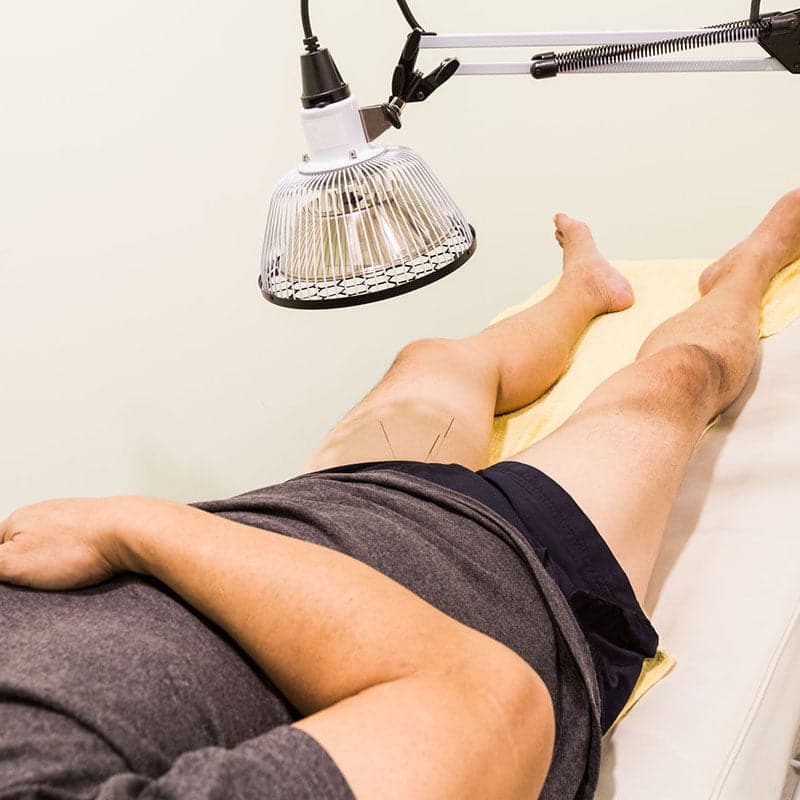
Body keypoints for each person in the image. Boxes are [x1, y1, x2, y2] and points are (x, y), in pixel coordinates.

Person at [1, 189, 799, 800]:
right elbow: (483, 707)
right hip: (507, 570)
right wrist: (130, 526)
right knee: (674, 381)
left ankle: (584, 288)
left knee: (436, 360)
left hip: (312, 510)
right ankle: (750, 266)